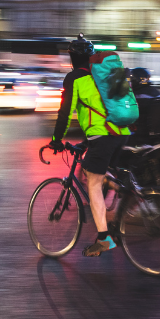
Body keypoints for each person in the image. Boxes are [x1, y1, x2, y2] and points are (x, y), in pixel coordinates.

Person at [50, 35, 131, 257]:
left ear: (72, 58)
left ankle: (104, 240)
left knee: (92, 183)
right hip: (122, 132)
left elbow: (65, 112)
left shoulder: (74, 78)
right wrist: (86, 141)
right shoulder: (103, 75)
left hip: (103, 136)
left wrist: (57, 139)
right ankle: (123, 190)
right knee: (100, 172)